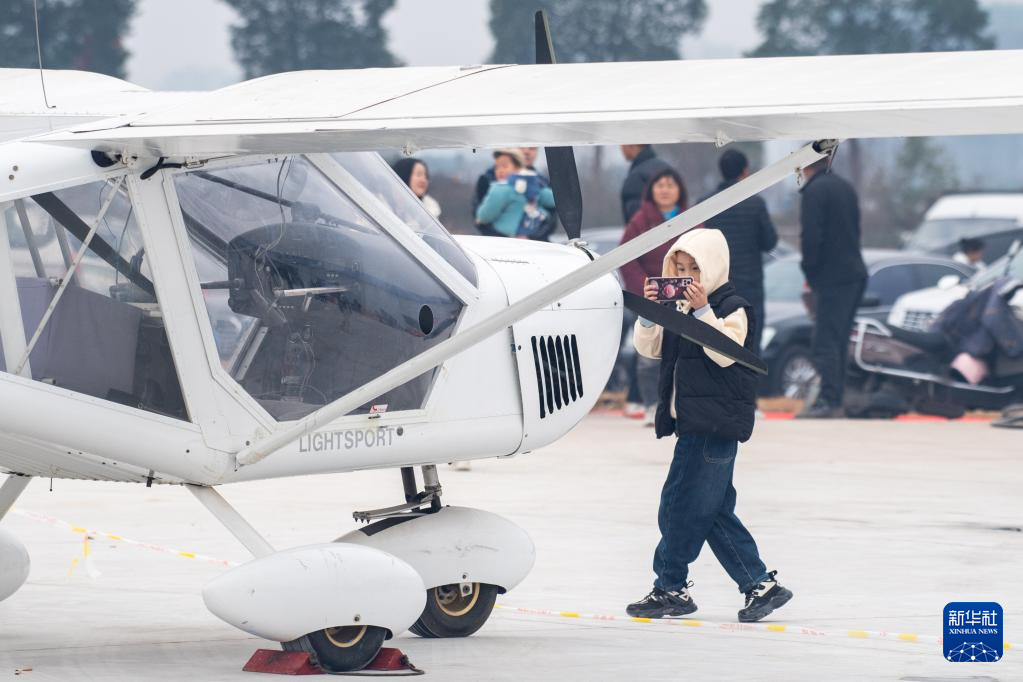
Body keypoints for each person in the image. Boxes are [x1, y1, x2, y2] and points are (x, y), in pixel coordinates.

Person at [626, 227, 792, 623]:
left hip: (713, 424)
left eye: (693, 270)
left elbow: (725, 356)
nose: (686, 278)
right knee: (710, 509)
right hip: (694, 422)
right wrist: (652, 315)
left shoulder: (732, 307)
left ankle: (670, 587)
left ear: (713, 268)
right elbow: (648, 349)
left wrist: (702, 312)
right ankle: (759, 585)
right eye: (678, 268)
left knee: (680, 506)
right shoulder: (680, 308)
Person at [797, 158, 868, 419]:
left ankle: (828, 399)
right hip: (854, 274)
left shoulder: (814, 191)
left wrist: (810, 272)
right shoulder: (845, 187)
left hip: (832, 276)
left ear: (805, 166)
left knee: (825, 342)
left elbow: (811, 237)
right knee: (838, 341)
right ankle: (836, 397)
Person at [619, 167, 688, 425]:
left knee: (683, 354)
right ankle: (651, 405)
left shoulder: (691, 217)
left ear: (679, 190)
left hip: (684, 297)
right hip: (651, 297)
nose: (666, 190)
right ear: (652, 190)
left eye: (671, 185)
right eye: (660, 185)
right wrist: (644, 287)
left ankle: (678, 405)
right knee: (648, 354)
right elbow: (626, 257)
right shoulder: (641, 219)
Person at [701, 149, 778, 354]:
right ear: (745, 171)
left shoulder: (706, 203)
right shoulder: (755, 204)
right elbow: (770, 242)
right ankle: (749, 385)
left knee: (719, 342)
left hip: (716, 285)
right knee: (750, 341)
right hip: (750, 285)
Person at [475, 149, 555, 239]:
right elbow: (554, 200)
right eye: (497, 167)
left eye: (504, 166)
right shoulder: (534, 184)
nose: (499, 170)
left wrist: (480, 218)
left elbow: (487, 214)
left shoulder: (500, 189)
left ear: (518, 168)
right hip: (532, 232)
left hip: (505, 236)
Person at [620, 144, 671, 224]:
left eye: (622, 145)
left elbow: (636, 219)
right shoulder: (666, 168)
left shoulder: (636, 176)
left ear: (630, 145)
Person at [519, 146, 558, 241]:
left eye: (532, 148)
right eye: (521, 147)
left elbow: (552, 220)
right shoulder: (490, 179)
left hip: (538, 245)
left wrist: (530, 237)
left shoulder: (544, 182)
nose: (526, 151)